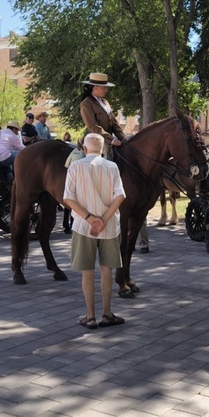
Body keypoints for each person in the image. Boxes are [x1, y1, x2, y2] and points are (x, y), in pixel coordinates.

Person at [63, 133, 127, 330]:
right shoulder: (112, 167)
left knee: (87, 273)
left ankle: (90, 316)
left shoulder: (76, 166)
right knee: (106, 271)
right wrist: (103, 220)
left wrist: (90, 219)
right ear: (103, 149)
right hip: (109, 228)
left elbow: (68, 198)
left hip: (83, 226)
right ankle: (107, 314)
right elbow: (120, 196)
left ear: (84, 148)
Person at [79, 73, 126, 156]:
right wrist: (111, 140)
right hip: (94, 140)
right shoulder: (86, 103)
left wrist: (123, 138)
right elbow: (93, 126)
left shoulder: (105, 102)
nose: (106, 90)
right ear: (95, 87)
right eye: (104, 87)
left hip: (109, 139)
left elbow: (114, 123)